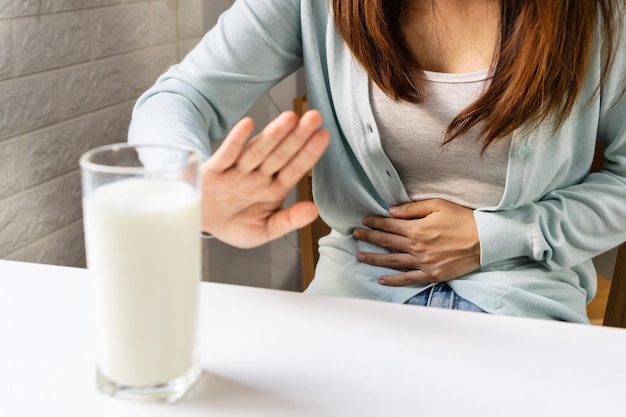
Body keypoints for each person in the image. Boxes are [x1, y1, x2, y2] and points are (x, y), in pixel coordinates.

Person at [128, 0, 626, 323]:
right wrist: (185, 186)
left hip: (527, 307)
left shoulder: (603, 16)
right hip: (353, 303)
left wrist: (498, 236)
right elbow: (179, 97)